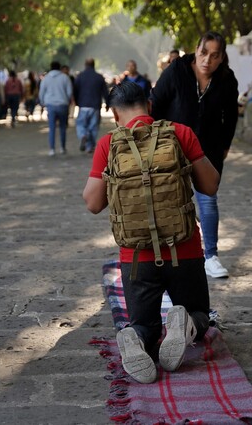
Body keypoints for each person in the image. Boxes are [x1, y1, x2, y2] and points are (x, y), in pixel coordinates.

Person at [83, 81, 219, 384]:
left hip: (136, 258)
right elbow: (210, 186)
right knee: (200, 313)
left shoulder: (109, 143)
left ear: (115, 114)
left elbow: (92, 203)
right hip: (184, 250)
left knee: (144, 324)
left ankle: (137, 336)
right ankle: (185, 325)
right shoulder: (180, 133)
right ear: (149, 106)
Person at [150, 31, 239, 279]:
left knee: (208, 201)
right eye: (203, 53)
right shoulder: (177, 70)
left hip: (207, 150)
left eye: (214, 56)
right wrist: (154, 141)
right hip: (172, 147)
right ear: (195, 50)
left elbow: (231, 115)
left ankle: (210, 256)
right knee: (170, 201)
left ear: (222, 58)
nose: (207, 60)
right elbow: (155, 103)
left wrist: (225, 145)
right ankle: (169, 256)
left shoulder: (227, 79)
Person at [39, 61, 72, 156]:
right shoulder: (65, 77)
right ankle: (62, 147)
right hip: (62, 104)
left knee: (52, 128)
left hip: (50, 105)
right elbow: (69, 92)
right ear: (59, 68)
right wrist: (66, 99)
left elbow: (41, 92)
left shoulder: (46, 78)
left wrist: (42, 102)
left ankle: (52, 149)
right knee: (62, 127)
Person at [74, 58, 107, 153]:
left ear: (85, 65)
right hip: (95, 105)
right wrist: (108, 103)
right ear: (94, 65)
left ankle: (83, 135)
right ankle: (90, 147)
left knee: (81, 124)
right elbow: (105, 92)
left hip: (83, 105)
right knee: (93, 127)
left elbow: (75, 90)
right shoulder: (99, 77)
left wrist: (77, 102)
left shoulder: (80, 76)